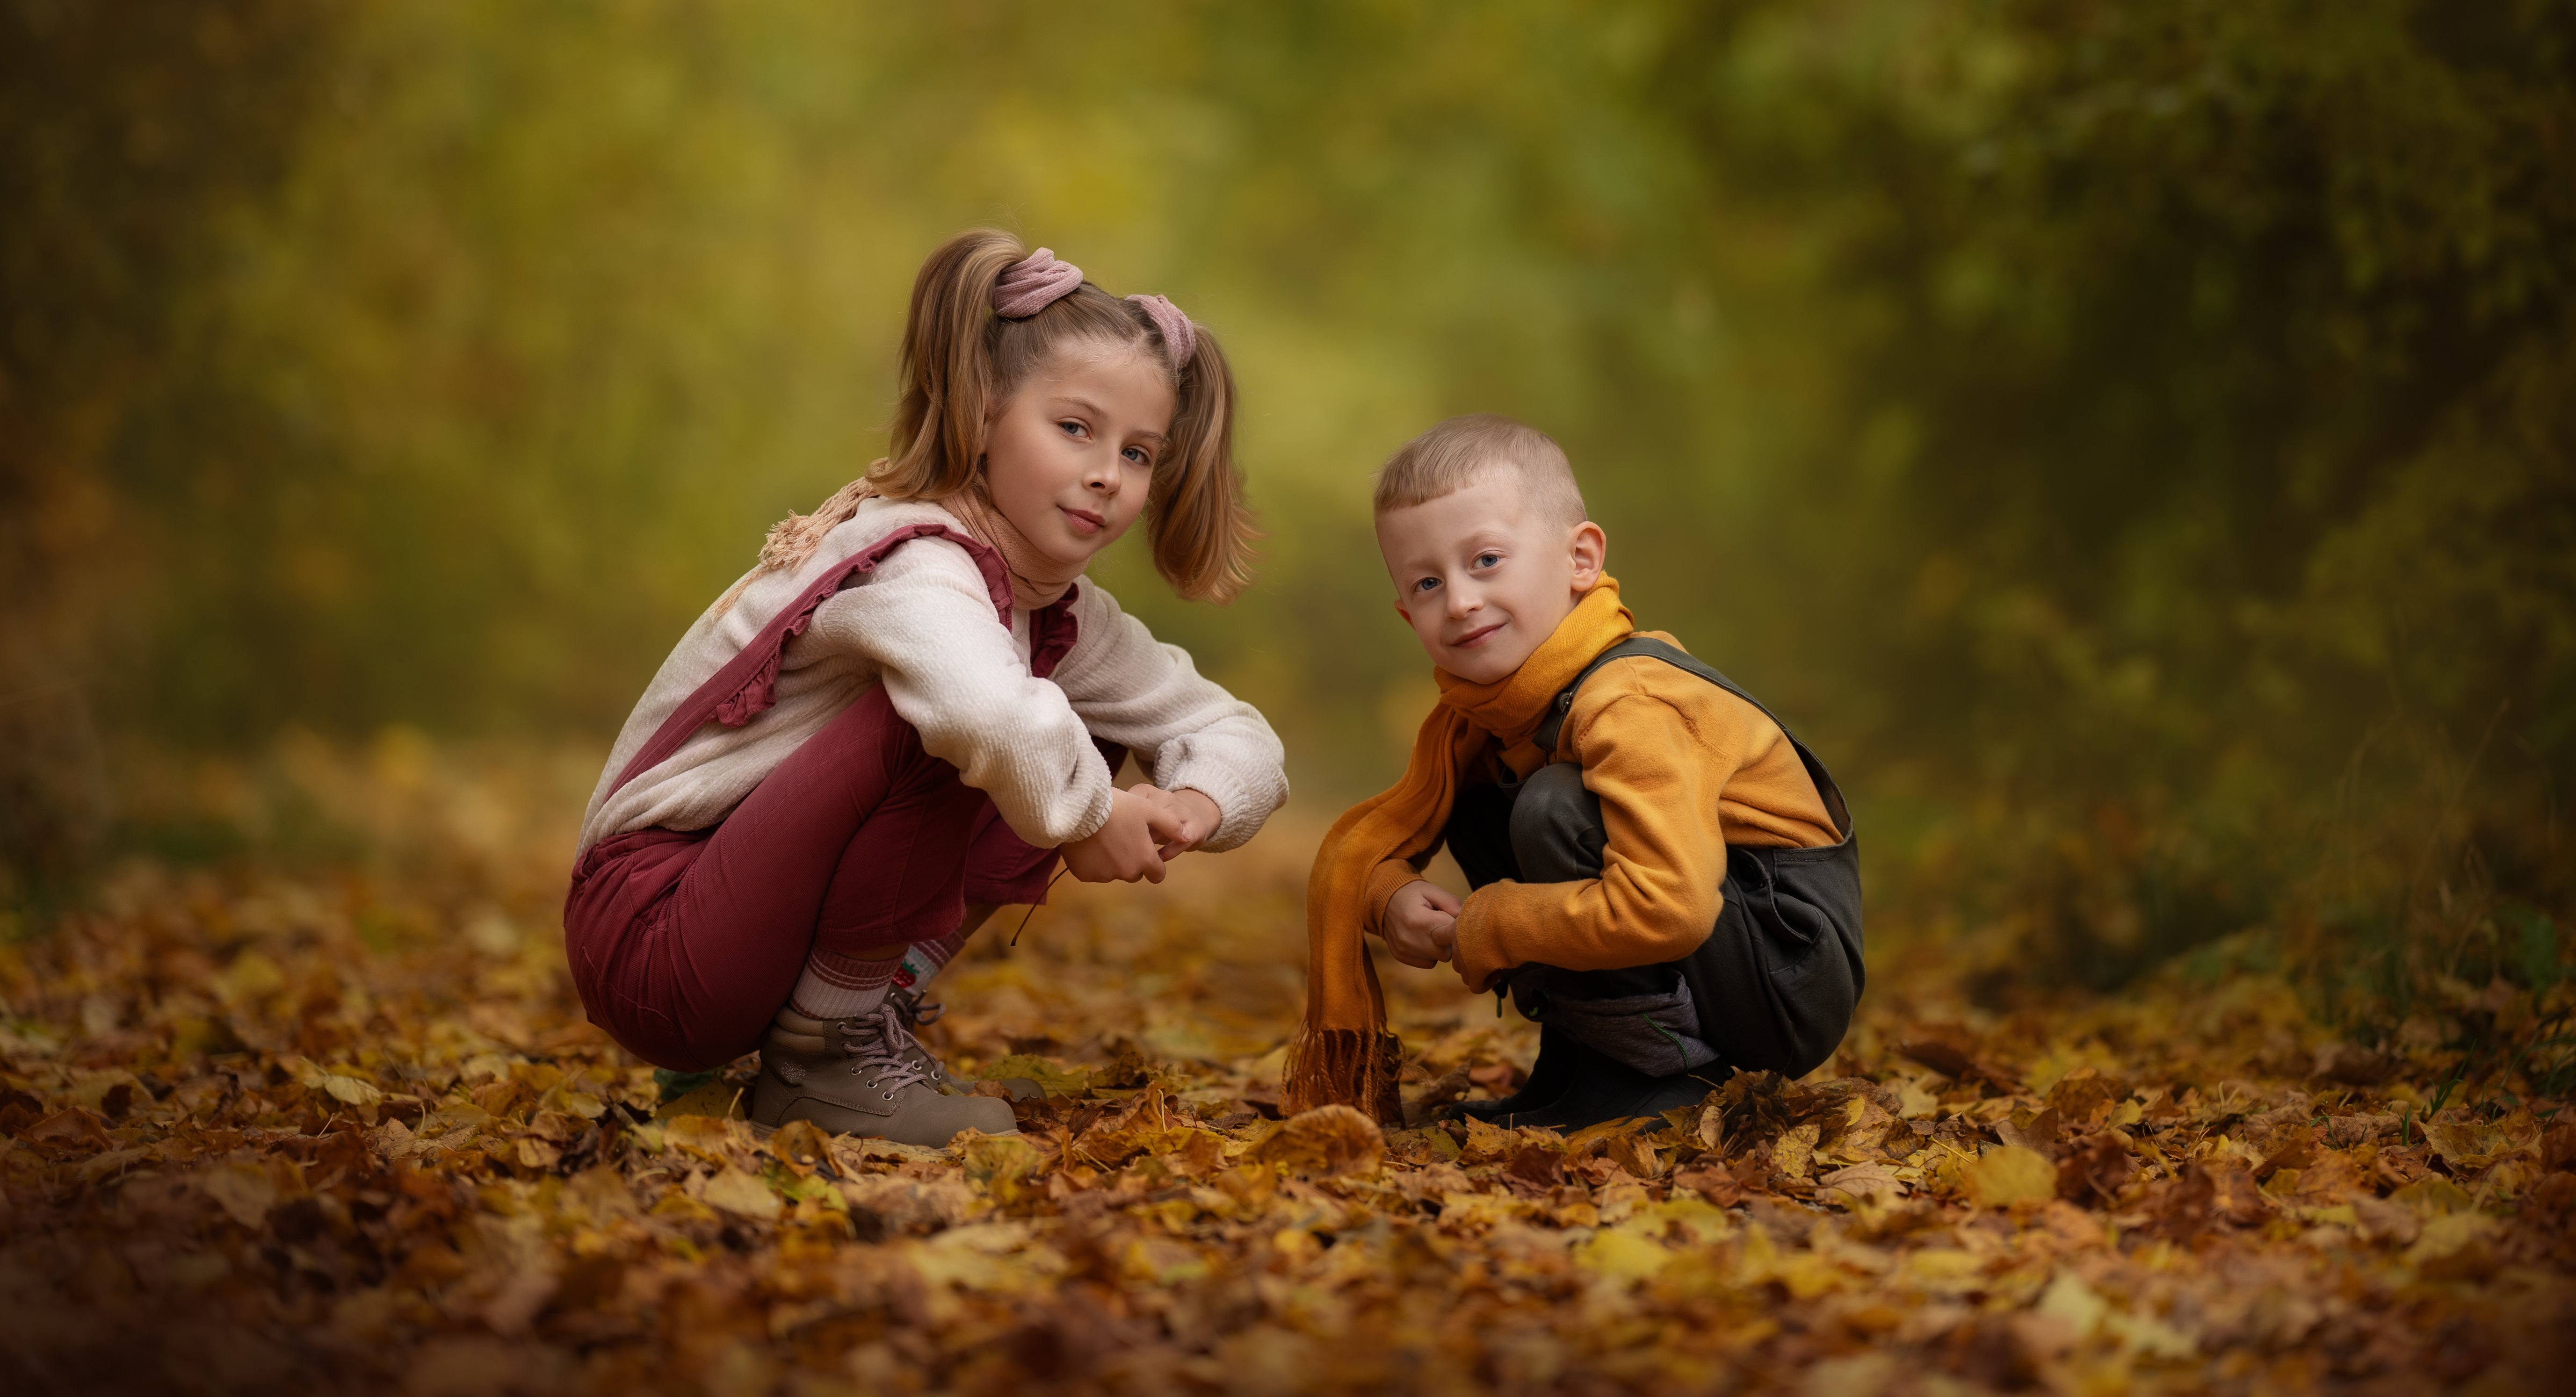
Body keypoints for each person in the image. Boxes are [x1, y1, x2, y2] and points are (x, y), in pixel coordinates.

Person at [565, 231, 1288, 1146]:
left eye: (1139, 453)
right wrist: (1093, 813)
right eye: (1074, 428)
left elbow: (1236, 730)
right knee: (965, 718)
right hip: (654, 932)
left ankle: (858, 1014)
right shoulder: (919, 565)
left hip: (742, 922)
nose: (1108, 473)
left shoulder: (1057, 608)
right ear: (985, 414)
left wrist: (1190, 802)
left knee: (1063, 725)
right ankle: (827, 1058)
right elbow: (983, 711)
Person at [1289, 415, 1861, 1130]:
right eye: (1429, 583)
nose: (1461, 600)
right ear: (1409, 616)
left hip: (1786, 970)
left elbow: (1668, 908)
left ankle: (1664, 1076)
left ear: (1580, 560)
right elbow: (1390, 844)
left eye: (1486, 561)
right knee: (1483, 802)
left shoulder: (1627, 700)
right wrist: (1391, 895)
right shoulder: (1486, 719)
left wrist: (1493, 923)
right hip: (1730, 947)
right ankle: (1586, 1064)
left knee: (1554, 806)